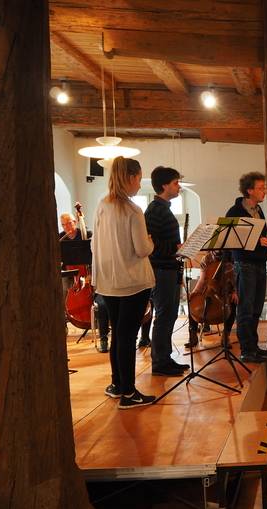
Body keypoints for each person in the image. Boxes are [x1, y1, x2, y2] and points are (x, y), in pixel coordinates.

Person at [91, 157, 156, 409]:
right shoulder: (132, 210)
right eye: (139, 179)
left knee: (118, 333)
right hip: (133, 282)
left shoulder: (102, 205)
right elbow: (141, 249)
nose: (139, 185)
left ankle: (117, 384)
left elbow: (95, 244)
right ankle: (129, 394)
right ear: (130, 177)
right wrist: (151, 242)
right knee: (127, 336)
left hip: (109, 281)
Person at [225, 172, 267, 363]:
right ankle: (247, 350)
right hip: (244, 264)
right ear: (249, 190)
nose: (265, 191)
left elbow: (257, 238)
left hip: (260, 263)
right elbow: (233, 241)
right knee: (245, 309)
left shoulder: (259, 211)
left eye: (265, 187)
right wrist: (257, 241)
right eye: (261, 188)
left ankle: (253, 347)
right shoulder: (235, 212)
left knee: (256, 308)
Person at [145, 166, 189, 376]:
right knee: (164, 316)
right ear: (164, 185)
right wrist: (175, 248)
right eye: (175, 183)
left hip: (169, 269)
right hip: (161, 270)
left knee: (170, 315)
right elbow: (150, 244)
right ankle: (159, 363)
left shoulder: (164, 208)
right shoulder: (155, 209)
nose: (178, 186)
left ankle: (165, 358)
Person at [60, 212, 111, 352]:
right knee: (62, 290)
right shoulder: (61, 238)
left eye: (69, 223)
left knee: (101, 299)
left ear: (75, 222)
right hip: (71, 274)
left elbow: (97, 255)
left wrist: (91, 273)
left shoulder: (87, 234)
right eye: (64, 225)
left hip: (89, 272)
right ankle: (63, 323)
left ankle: (102, 326)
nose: (67, 227)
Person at [185, 251, 238, 349]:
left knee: (233, 301)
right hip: (208, 289)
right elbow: (202, 280)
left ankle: (226, 336)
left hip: (225, 291)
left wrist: (235, 291)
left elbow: (235, 278)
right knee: (192, 301)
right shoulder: (206, 259)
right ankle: (192, 335)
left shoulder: (232, 257)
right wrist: (194, 292)